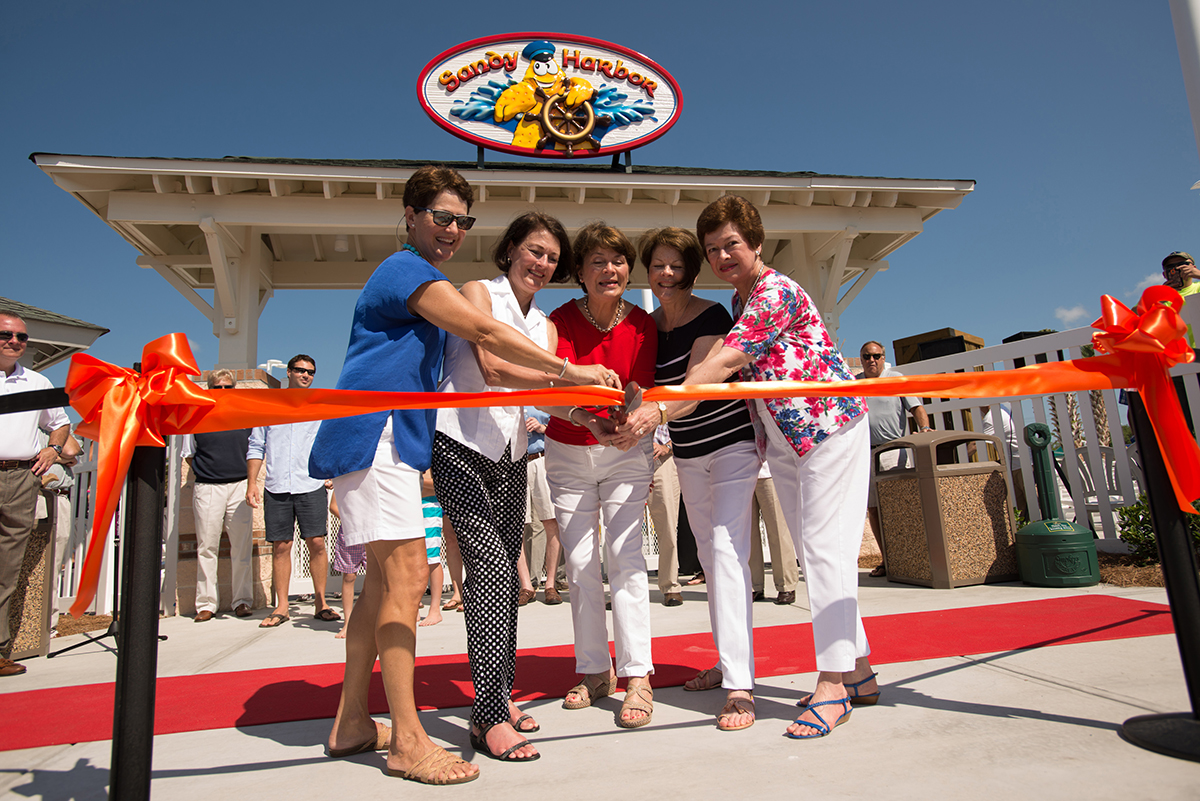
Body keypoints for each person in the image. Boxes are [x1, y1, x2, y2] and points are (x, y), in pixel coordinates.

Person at [310, 166, 616, 785]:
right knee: (409, 578)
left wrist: (580, 405)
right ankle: (410, 742)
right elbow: (483, 336)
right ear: (410, 216)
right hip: (380, 436)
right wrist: (572, 372)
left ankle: (352, 721)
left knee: (379, 590)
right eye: (441, 216)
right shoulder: (407, 272)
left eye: (462, 220)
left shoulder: (429, 278)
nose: (452, 229)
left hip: (401, 441)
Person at [645, 196, 878, 739]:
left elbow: (726, 361)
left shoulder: (773, 293)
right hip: (786, 441)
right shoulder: (741, 295)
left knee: (824, 552)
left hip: (827, 429)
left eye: (732, 245)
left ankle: (833, 684)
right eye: (713, 249)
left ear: (756, 244)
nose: (724, 256)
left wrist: (658, 406)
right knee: (811, 548)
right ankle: (861, 672)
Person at [431, 210, 577, 762]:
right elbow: (491, 365)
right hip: (460, 445)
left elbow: (550, 399)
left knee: (505, 583)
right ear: (512, 248)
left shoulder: (547, 325)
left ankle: (498, 695)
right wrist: (570, 374)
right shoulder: (477, 292)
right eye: (535, 251)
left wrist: (601, 416)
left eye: (552, 259)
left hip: (513, 452)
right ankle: (487, 717)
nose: (542, 264)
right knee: (490, 572)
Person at [638, 226, 760, 730]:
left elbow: (695, 387)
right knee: (711, 560)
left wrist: (654, 415)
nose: (666, 274)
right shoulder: (645, 326)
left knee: (728, 556)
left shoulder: (712, 314)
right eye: (658, 264)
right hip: (687, 454)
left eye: (676, 265)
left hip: (731, 445)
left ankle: (740, 687)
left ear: (690, 270)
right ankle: (728, 661)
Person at [541, 222, 658, 728]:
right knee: (583, 565)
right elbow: (553, 385)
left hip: (626, 453)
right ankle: (593, 670)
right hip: (568, 451)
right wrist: (588, 420)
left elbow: (644, 391)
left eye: (617, 260)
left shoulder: (644, 325)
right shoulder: (560, 321)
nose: (609, 270)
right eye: (596, 261)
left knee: (625, 558)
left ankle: (637, 674)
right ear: (580, 272)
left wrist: (632, 427)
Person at [0, 310, 70, 676]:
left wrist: (53, 449)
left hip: (18, 479)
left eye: (21, 337)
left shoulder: (37, 382)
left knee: (7, 568)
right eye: (6, 335)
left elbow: (59, 423)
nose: (14, 342)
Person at [248, 354, 340, 628]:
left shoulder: (318, 405)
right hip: (277, 485)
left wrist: (330, 472)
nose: (305, 375)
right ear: (288, 373)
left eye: (310, 372)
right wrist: (252, 482)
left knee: (317, 543)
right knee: (281, 546)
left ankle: (321, 602)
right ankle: (282, 606)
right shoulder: (269, 405)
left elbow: (328, 441)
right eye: (300, 370)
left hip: (310, 483)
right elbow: (256, 446)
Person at [182, 370, 253, 623]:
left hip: (240, 486)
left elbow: (254, 450)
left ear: (234, 389)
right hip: (208, 487)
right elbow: (189, 454)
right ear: (209, 389)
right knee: (207, 546)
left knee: (241, 545)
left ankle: (242, 601)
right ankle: (206, 604)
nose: (222, 392)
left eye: (227, 387)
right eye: (217, 387)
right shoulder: (197, 417)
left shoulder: (245, 416)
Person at [857, 341, 931, 577]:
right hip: (865, 454)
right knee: (874, 509)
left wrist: (925, 428)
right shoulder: (854, 384)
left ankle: (911, 558)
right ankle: (887, 560)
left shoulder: (896, 378)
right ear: (861, 359)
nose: (872, 360)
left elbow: (917, 408)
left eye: (876, 356)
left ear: (883, 357)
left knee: (899, 505)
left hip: (893, 452)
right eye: (867, 356)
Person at [522, 407, 565, 605]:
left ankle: (550, 584)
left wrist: (541, 427)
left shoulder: (542, 396)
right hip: (516, 463)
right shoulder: (509, 395)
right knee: (517, 526)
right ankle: (526, 586)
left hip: (542, 459)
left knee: (551, 523)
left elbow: (561, 429)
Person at [748, 462, 799, 605]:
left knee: (778, 529)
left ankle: (786, 586)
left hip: (768, 472)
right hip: (742, 474)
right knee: (747, 533)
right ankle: (754, 585)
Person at [646, 423, 682, 606]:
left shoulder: (667, 394)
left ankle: (671, 587)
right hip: (627, 462)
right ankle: (623, 588)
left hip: (663, 461)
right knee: (623, 530)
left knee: (667, 526)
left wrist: (667, 446)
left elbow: (684, 425)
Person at [418, 470, 444, 627]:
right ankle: (414, 607)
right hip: (409, 506)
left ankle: (435, 609)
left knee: (432, 558)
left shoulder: (430, 452)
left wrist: (415, 482)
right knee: (411, 560)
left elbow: (437, 485)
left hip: (429, 505)